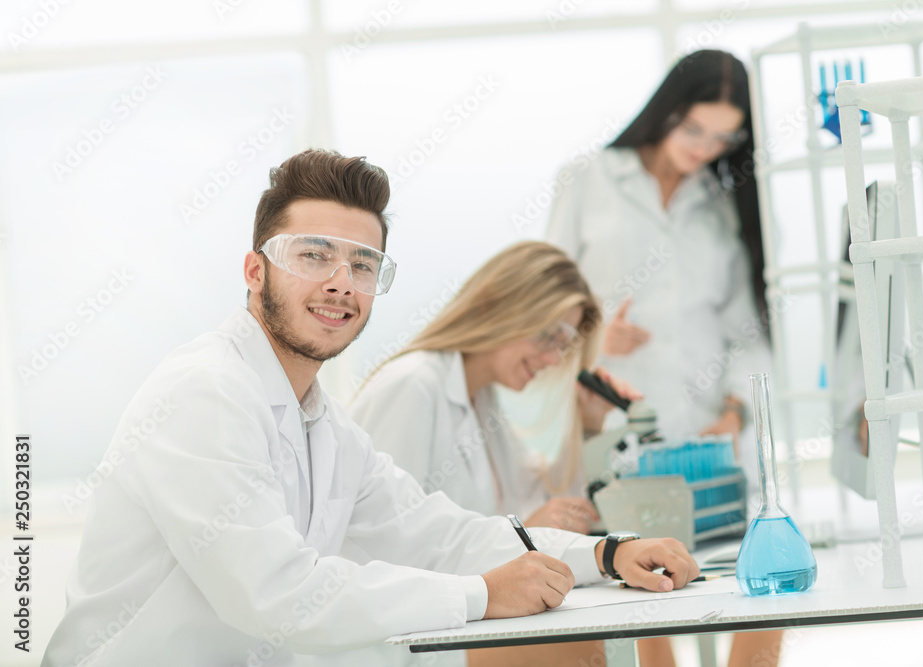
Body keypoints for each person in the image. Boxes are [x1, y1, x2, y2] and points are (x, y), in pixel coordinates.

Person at [41, 149, 700, 667]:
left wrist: (606, 553)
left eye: (362, 265)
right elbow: (275, 594)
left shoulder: (323, 424)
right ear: (254, 271)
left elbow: (441, 533)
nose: (341, 283)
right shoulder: (205, 392)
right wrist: (480, 594)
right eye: (313, 255)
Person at [545, 50, 781, 667]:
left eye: (723, 138)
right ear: (666, 111)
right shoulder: (588, 180)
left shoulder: (720, 202)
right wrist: (595, 334)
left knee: (761, 589)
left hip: (709, 432)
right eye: (694, 129)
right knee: (644, 587)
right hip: (619, 428)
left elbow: (746, 327)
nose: (705, 149)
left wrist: (735, 409)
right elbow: (544, 303)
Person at [351, 240, 668, 665]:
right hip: (403, 636)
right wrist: (523, 536)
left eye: (564, 346)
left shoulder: (483, 399)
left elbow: (537, 498)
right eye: (550, 337)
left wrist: (590, 423)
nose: (553, 358)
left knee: (619, 629)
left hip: (457, 619)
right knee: (590, 645)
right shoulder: (412, 387)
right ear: (500, 306)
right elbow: (386, 546)